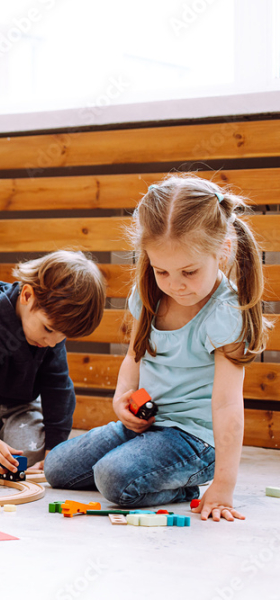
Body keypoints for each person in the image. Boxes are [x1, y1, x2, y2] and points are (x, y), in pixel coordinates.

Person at [45, 174, 271, 522]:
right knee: (57, 468)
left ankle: (185, 486)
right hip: (147, 423)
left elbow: (227, 404)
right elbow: (135, 354)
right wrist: (123, 395)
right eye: (161, 270)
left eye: (189, 271)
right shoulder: (152, 293)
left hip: (195, 441)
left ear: (222, 250)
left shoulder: (224, 314)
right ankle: (143, 463)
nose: (175, 285)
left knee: (113, 478)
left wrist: (224, 484)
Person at [0, 250, 106, 476]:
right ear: (27, 296)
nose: (51, 342)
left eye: (62, 336)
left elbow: (58, 388)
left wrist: (53, 451)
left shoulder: (50, 337)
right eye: (48, 329)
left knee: (29, 453)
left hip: (21, 405)